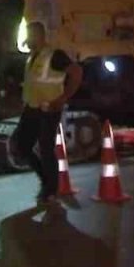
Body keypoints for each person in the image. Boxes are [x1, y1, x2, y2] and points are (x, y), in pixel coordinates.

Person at [12, 21, 82, 205]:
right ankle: (47, 181)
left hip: (49, 109)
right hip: (32, 107)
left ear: (41, 36)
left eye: (31, 35)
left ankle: (51, 189)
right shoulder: (32, 57)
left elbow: (76, 72)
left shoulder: (55, 55)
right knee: (22, 146)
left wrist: (63, 98)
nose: (28, 39)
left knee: (45, 148)